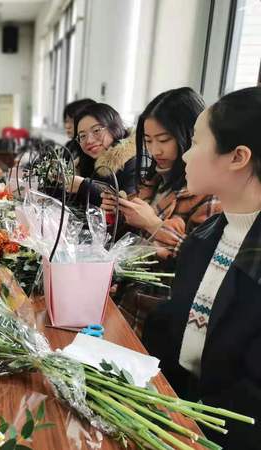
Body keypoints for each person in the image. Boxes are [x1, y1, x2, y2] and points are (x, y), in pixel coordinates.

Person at [143, 86, 261, 449]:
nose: (186, 155)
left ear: (238, 156)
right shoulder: (205, 238)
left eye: (195, 143)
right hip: (180, 414)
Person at [102, 88, 222, 336]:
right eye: (148, 140)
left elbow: (204, 263)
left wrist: (153, 225)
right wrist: (120, 213)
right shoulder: (154, 179)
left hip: (159, 321)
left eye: (164, 140)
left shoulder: (209, 193)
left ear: (191, 136)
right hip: (125, 306)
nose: (155, 150)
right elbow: (132, 243)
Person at [69, 103, 137, 205]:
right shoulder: (83, 164)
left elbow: (127, 209)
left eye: (96, 130)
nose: (89, 141)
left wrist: (84, 187)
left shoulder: (134, 163)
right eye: (82, 136)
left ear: (114, 127)